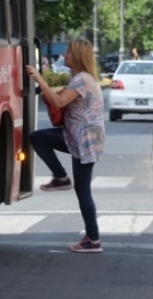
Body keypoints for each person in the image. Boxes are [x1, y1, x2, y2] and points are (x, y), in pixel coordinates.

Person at [26, 38, 105, 253]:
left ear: (77, 56)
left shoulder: (81, 80)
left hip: (84, 139)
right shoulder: (83, 79)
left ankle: (93, 239)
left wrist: (38, 78)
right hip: (78, 136)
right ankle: (61, 178)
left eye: (69, 53)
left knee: (83, 190)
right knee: (38, 138)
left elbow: (59, 102)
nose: (65, 56)